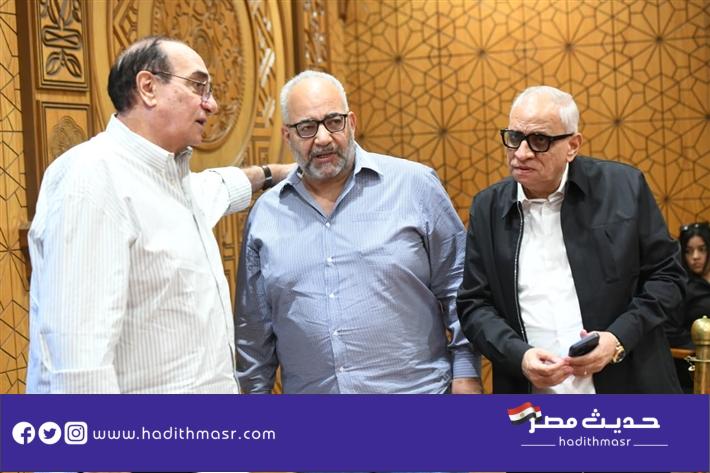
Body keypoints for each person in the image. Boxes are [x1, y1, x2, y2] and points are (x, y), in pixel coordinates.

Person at [26, 36, 291, 394]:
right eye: (199, 86)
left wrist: (275, 173)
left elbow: (217, 187)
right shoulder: (92, 178)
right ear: (148, 88)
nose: (212, 104)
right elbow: (78, 364)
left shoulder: (171, 181)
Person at [235, 70, 482, 394]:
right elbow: (253, 329)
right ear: (287, 136)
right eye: (307, 127)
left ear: (351, 122)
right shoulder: (266, 215)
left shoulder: (414, 186)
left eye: (333, 122)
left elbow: (459, 287)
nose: (323, 138)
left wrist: (466, 373)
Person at [456, 85, 685, 394]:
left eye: (539, 140)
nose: (521, 153)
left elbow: (668, 277)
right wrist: (518, 356)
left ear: (572, 146)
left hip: (629, 385)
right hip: (532, 396)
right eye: (514, 137)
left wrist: (617, 339)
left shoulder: (623, 188)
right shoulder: (487, 209)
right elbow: (474, 305)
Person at [664, 222, 710, 390]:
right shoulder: (682, 286)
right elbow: (671, 332)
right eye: (688, 251)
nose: (695, 256)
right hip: (694, 365)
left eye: (702, 249)